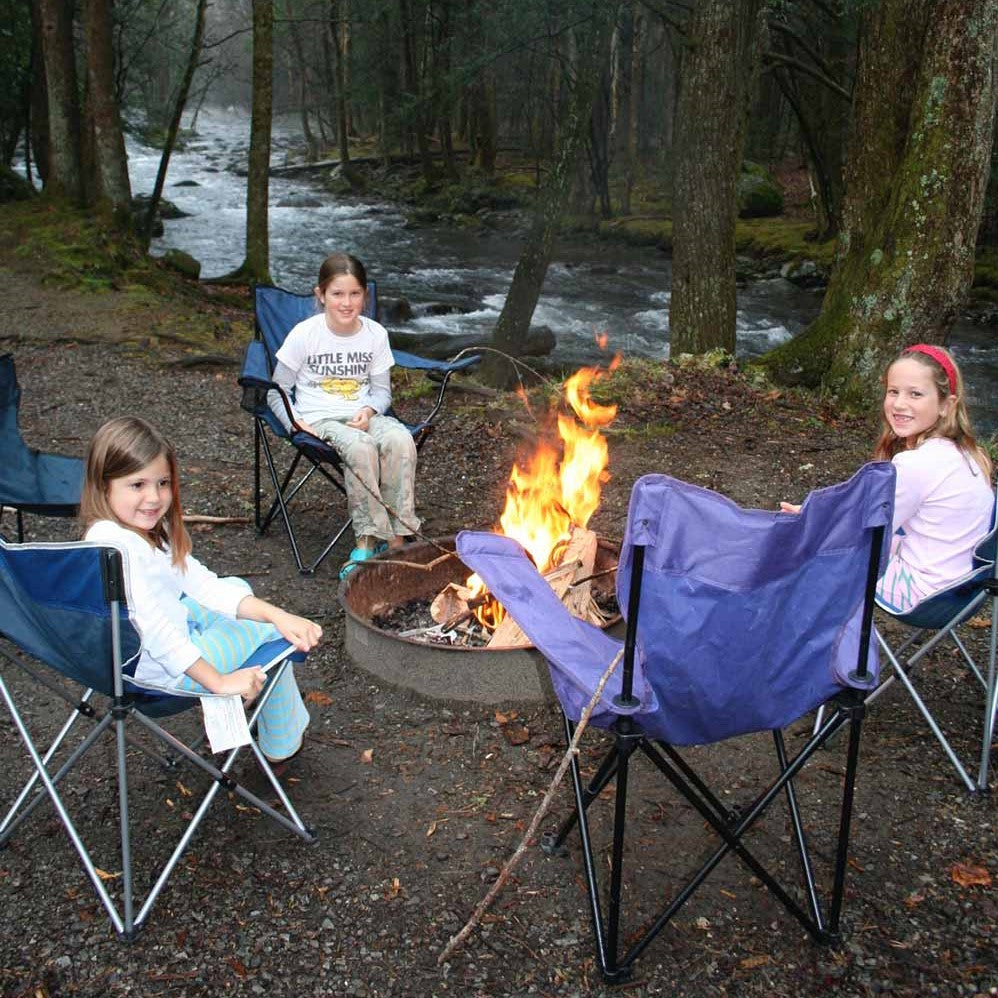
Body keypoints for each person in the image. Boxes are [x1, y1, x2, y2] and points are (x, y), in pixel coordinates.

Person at [81, 416, 321, 765]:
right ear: (104, 486)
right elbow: (156, 633)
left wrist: (278, 612)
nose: (154, 497)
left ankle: (268, 718)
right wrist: (220, 682)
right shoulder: (116, 545)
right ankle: (281, 741)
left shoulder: (124, 531)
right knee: (271, 636)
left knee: (238, 590)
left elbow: (202, 584)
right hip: (163, 673)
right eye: (137, 485)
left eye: (163, 483)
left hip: (133, 655)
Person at [781, 344, 994, 613]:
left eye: (915, 394)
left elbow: (862, 529)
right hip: (965, 590)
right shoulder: (968, 455)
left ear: (945, 405)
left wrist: (808, 520)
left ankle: (803, 643)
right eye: (893, 392)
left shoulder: (917, 464)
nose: (899, 404)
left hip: (922, 594)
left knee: (817, 554)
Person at [266, 252, 419, 578]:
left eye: (354, 294)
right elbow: (275, 389)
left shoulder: (375, 334)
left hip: (363, 415)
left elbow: (382, 392)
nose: (346, 303)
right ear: (320, 295)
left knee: (399, 438)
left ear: (365, 296)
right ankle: (365, 542)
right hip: (321, 420)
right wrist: (295, 424)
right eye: (337, 294)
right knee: (361, 447)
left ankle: (398, 539)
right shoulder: (305, 334)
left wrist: (369, 410)